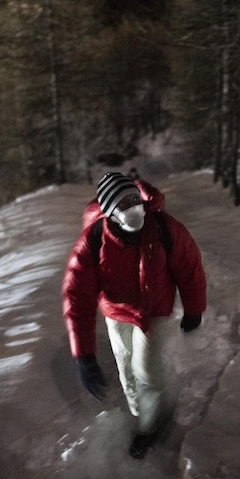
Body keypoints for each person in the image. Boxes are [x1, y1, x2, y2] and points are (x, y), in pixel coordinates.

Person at [62, 172, 207, 458]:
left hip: (155, 311)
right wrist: (84, 356)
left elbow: (189, 269)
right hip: (116, 314)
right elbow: (76, 296)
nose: (132, 206)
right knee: (127, 372)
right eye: (122, 203)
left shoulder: (165, 228)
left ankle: (149, 429)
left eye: (134, 198)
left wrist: (194, 309)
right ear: (109, 212)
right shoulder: (93, 240)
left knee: (146, 372)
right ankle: (144, 412)